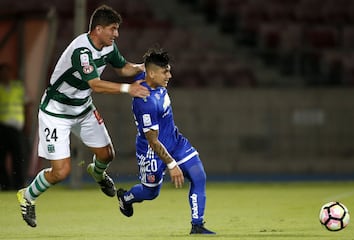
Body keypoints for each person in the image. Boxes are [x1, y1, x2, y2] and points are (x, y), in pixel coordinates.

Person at [16, 5, 150, 228]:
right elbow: (95, 84)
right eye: (113, 29)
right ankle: (27, 196)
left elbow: (123, 68)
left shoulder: (108, 47)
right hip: (56, 112)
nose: (116, 34)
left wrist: (142, 67)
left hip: (83, 108)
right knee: (61, 172)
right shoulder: (82, 51)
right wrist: (128, 89)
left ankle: (97, 173)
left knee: (107, 155)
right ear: (98, 29)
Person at [116, 47, 215, 235]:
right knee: (150, 193)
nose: (169, 75)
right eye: (165, 71)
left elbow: (126, 69)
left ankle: (197, 225)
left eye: (169, 70)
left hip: (176, 143)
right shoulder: (144, 101)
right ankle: (126, 198)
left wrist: (139, 66)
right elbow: (152, 141)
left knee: (199, 176)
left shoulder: (152, 79)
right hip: (152, 151)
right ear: (152, 73)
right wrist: (171, 164)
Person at [0, 63, 31, 190]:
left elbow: (27, 106)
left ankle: (18, 184)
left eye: (7, 72)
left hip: (17, 128)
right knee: (1, 158)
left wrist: (27, 125)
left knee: (19, 158)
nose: (5, 75)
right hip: (2, 127)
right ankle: (5, 184)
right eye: (2, 72)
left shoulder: (18, 87)